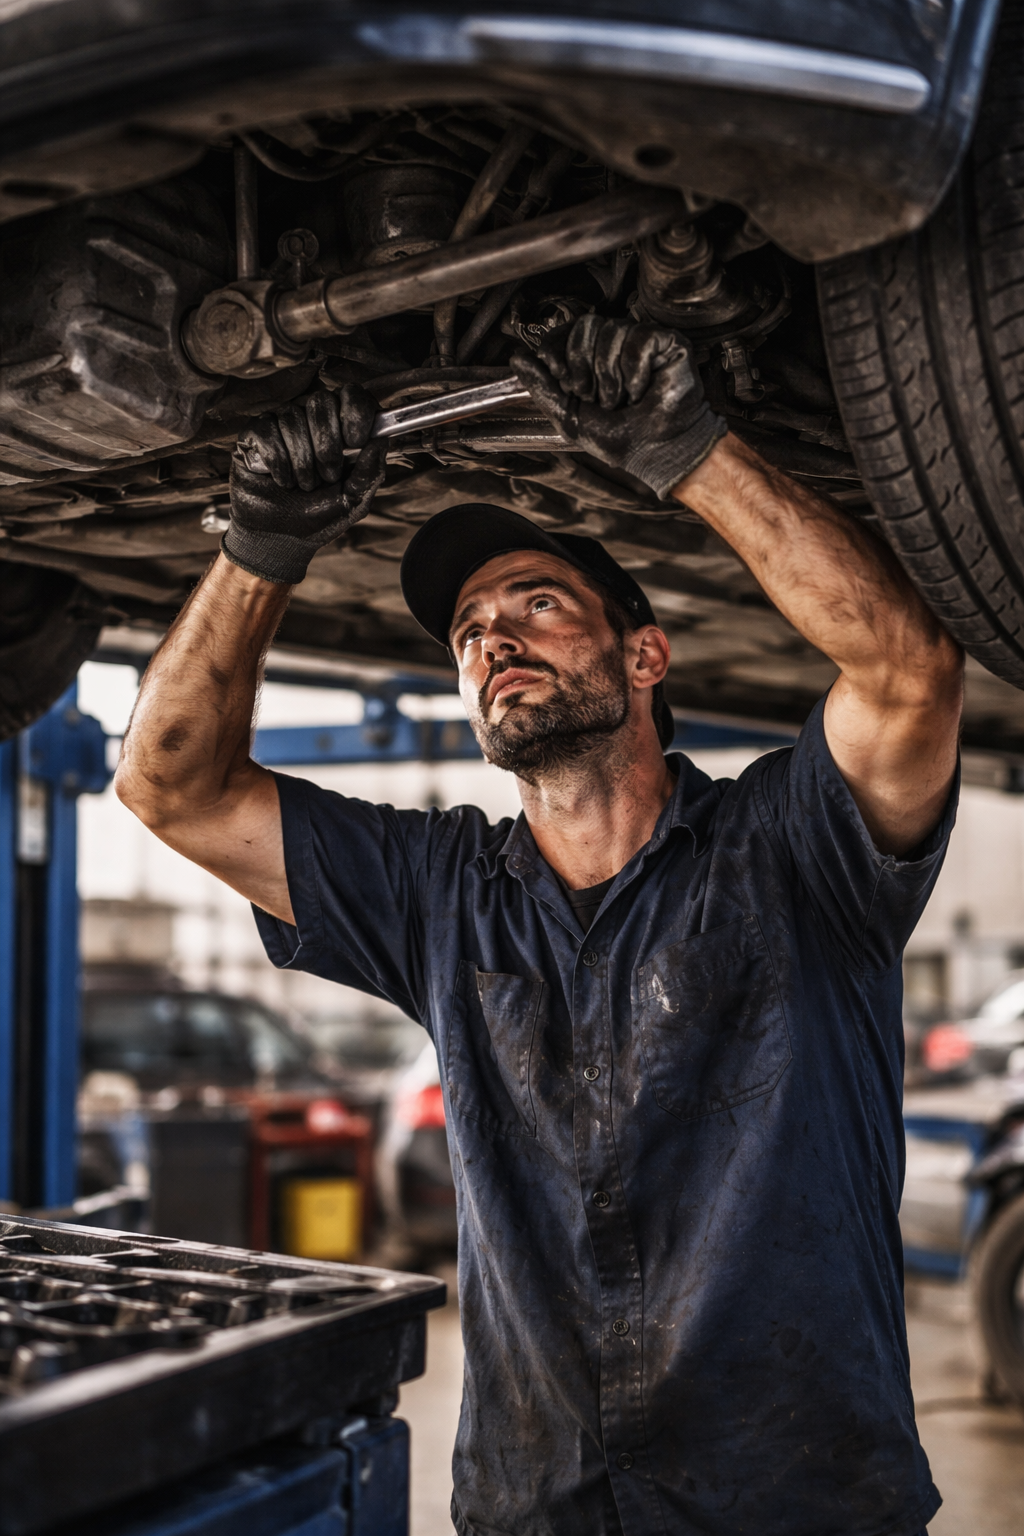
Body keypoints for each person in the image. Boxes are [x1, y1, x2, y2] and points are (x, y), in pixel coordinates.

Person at [116, 317, 962, 1536]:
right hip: (539, 1507)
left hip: (800, 1503)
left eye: (538, 603)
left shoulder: (793, 850)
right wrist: (261, 546)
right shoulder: (435, 892)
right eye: (468, 633)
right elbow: (169, 784)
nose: (493, 640)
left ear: (644, 655)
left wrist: (687, 446)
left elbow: (907, 670)